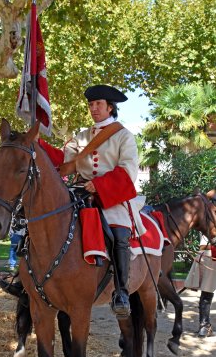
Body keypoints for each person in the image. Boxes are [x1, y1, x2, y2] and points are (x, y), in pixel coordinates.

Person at [38, 84, 145, 318]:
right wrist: (38, 143)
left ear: (110, 108)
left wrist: (100, 185)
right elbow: (64, 161)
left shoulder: (124, 136)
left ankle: (122, 292)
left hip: (110, 197)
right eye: (91, 105)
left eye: (98, 105)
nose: (93, 109)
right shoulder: (82, 136)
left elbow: (128, 171)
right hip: (79, 193)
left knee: (119, 233)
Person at [185, 235, 216, 337]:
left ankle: (204, 326)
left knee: (206, 293)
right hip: (210, 257)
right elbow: (203, 246)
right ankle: (204, 327)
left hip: (208, 256)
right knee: (206, 292)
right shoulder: (211, 226)